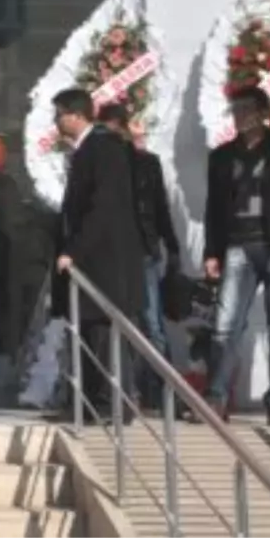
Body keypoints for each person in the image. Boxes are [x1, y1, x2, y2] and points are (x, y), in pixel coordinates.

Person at [200, 86, 270, 427]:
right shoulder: (221, 156)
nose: (239, 115)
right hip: (237, 245)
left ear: (263, 113)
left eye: (246, 108)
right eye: (235, 108)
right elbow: (213, 209)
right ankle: (216, 398)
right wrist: (211, 251)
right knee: (224, 327)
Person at [52, 88, 145, 422]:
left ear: (76, 116)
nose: (57, 121)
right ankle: (91, 401)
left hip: (106, 259)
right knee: (90, 331)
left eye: (59, 114)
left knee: (107, 333)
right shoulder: (86, 150)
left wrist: (74, 250)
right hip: (93, 261)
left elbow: (102, 208)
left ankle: (114, 402)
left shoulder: (104, 149)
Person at [97, 103, 183, 410]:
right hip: (115, 252)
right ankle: (126, 390)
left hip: (144, 249)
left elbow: (159, 206)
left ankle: (166, 392)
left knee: (151, 322)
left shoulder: (147, 162)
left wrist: (172, 246)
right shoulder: (104, 161)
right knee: (120, 321)